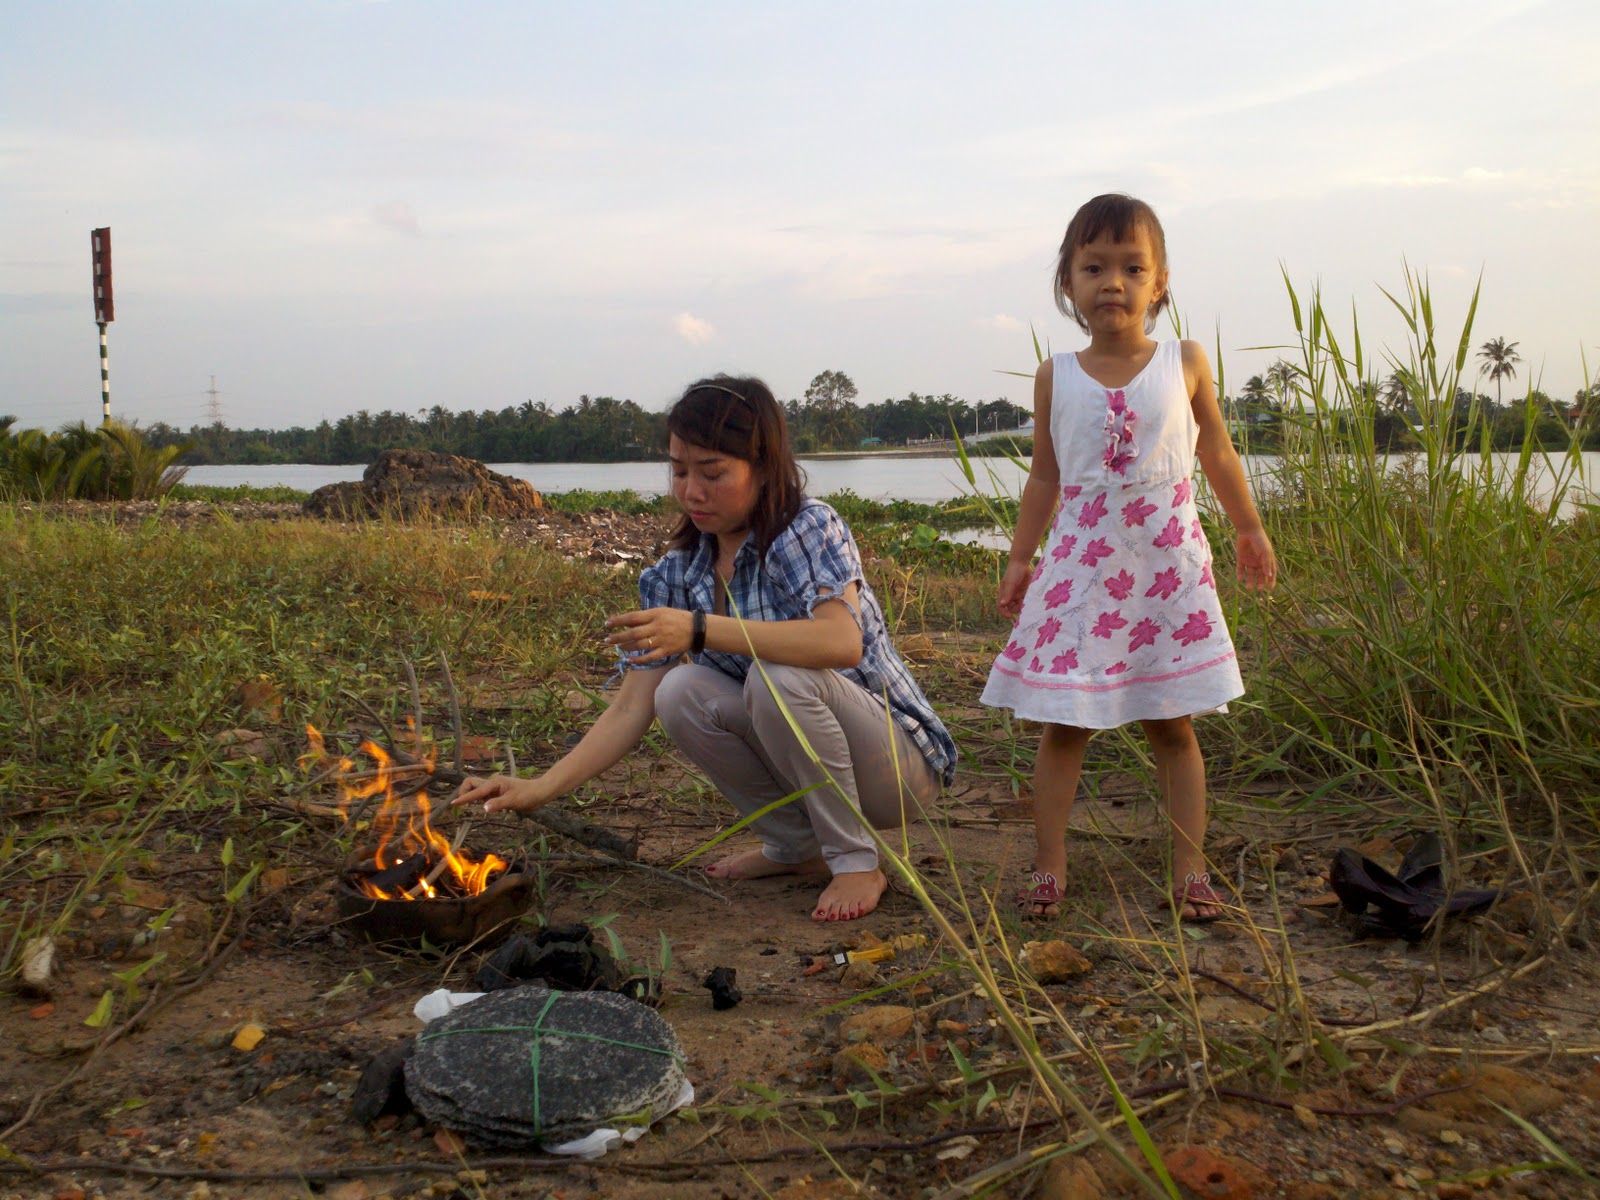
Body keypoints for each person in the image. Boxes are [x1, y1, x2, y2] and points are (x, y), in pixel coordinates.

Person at [453, 375, 957, 922]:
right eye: (679, 471)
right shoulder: (679, 571)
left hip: (897, 768)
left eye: (712, 473)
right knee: (678, 690)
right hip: (811, 762)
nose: (691, 491)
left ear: (763, 468)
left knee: (778, 676)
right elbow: (631, 706)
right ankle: (795, 848)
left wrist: (699, 629)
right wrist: (539, 788)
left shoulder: (806, 529)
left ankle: (856, 861)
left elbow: (841, 642)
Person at [981, 194, 1277, 922]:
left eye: (1132, 267)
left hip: (1164, 572)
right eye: (1094, 268)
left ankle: (1190, 869)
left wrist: (1249, 527)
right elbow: (1044, 477)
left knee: (1173, 723)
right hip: (1081, 570)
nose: (1113, 282)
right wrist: (1019, 559)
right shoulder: (1056, 375)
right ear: (1068, 283)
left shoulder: (1185, 362)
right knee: (1066, 723)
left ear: (1160, 282)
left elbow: (1217, 450)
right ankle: (1049, 863)